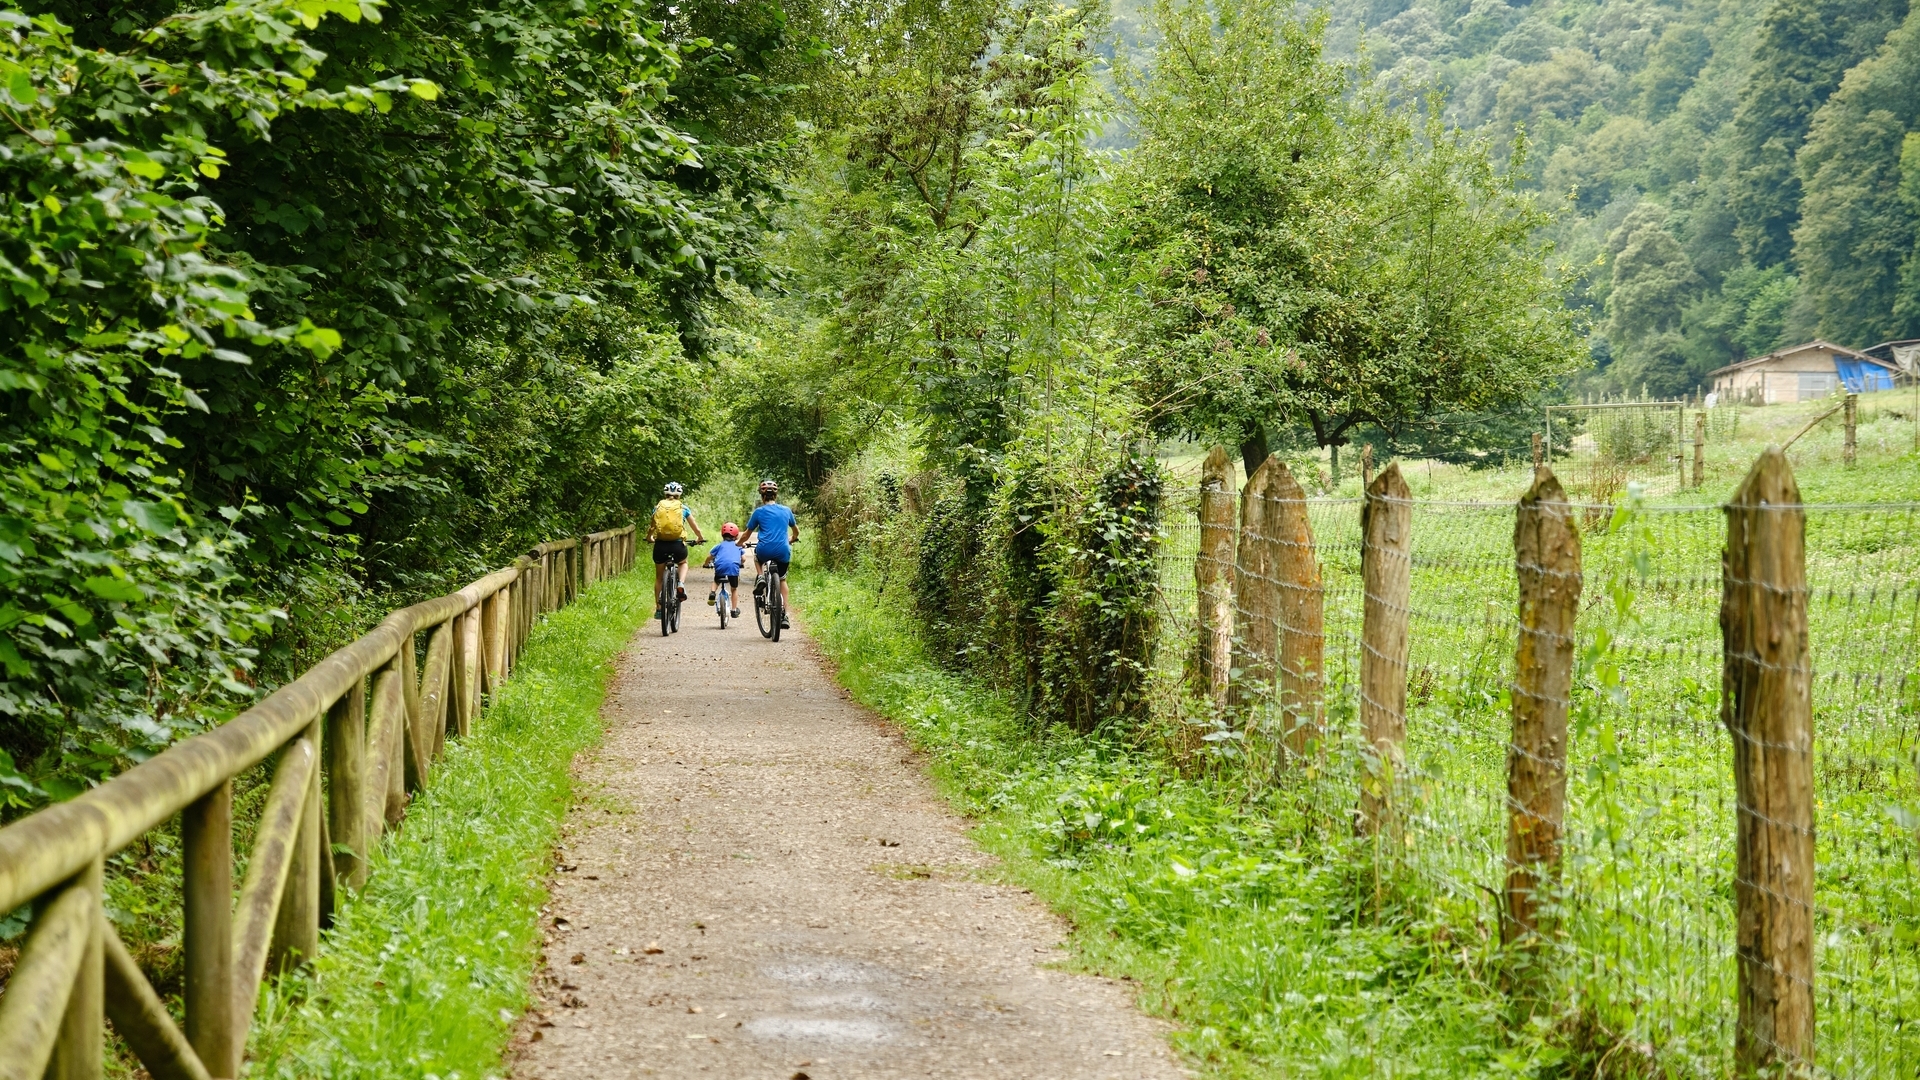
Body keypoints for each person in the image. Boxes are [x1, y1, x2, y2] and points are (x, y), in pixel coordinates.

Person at [738, 478, 799, 629]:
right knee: (783, 580)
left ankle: (760, 577)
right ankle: (783, 614)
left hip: (765, 550)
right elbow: (796, 531)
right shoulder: (786, 510)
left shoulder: (758, 512)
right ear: (776, 495)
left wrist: (738, 543)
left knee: (757, 558)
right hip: (783, 550)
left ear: (762, 496)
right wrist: (791, 539)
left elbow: (746, 535)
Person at [646, 482, 706, 617]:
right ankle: (680, 583)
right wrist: (699, 538)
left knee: (659, 578)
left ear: (665, 494)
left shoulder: (658, 507)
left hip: (660, 545)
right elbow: (695, 528)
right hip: (678, 545)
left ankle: (659, 609)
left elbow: (652, 527)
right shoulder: (683, 508)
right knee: (683, 563)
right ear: (680, 495)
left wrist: (650, 538)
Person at [703, 522, 745, 621]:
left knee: (716, 580)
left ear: (722, 534)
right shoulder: (738, 545)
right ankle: (734, 610)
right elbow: (743, 559)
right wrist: (740, 563)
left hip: (720, 567)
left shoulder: (719, 545)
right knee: (734, 589)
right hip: (733, 569)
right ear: (736, 535)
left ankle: (713, 593)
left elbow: (710, 556)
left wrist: (705, 564)